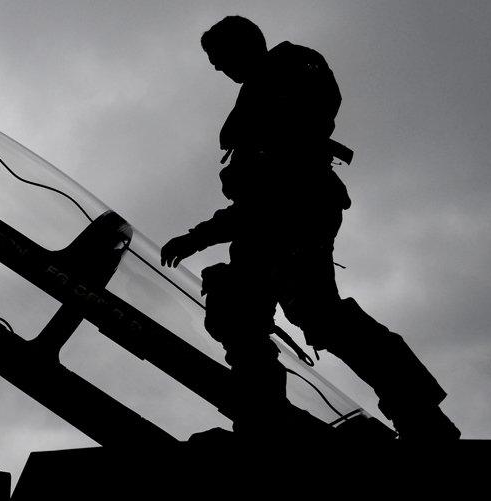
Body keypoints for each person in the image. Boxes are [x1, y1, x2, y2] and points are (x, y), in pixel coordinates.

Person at [161, 15, 459, 440]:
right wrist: (201, 234)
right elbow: (256, 193)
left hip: (297, 214)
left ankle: (421, 415)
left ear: (244, 45)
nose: (217, 67)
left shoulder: (293, 71)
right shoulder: (254, 100)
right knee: (236, 308)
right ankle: (262, 420)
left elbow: (282, 174)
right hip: (263, 220)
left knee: (320, 315)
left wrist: (203, 235)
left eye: (220, 57)